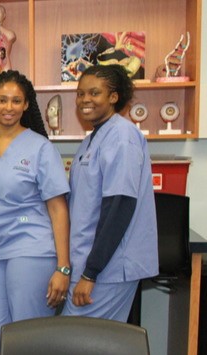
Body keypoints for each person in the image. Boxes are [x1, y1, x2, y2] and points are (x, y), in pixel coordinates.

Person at [0, 71, 70, 355]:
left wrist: (63, 267)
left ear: (25, 105)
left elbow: (58, 210)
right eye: (3, 100)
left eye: (16, 100)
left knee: (26, 335)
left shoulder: (40, 148)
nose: (9, 107)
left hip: (31, 248)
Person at [63, 65, 158, 321]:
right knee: (85, 342)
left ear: (114, 97)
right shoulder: (92, 140)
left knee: (78, 341)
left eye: (94, 93)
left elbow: (119, 206)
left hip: (108, 268)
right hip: (90, 263)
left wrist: (90, 273)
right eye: (81, 94)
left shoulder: (122, 137)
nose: (85, 100)